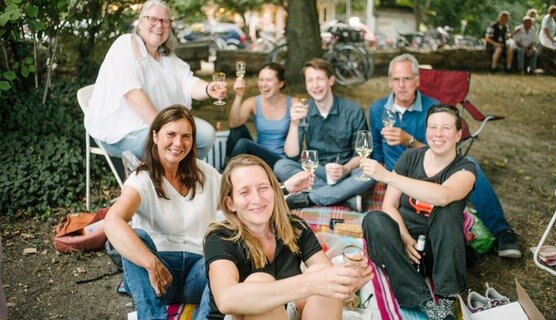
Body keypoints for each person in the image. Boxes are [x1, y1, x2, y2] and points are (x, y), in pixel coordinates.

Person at [369, 54, 521, 259]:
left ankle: (502, 231)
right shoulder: (377, 109)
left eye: (407, 78)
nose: (402, 85)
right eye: (396, 79)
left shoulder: (434, 109)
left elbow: (445, 150)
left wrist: (409, 140)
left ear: (417, 80)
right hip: (400, 178)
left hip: (433, 170)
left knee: (470, 166)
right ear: (389, 82)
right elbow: (378, 152)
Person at [204, 154, 373, 319]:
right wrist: (308, 283)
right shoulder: (220, 237)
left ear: (274, 190)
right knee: (260, 281)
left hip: (286, 313)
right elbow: (226, 299)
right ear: (230, 203)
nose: (257, 199)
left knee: (321, 274)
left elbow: (325, 278)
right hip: (239, 315)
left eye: (263, 188)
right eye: (244, 192)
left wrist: (346, 283)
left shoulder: (294, 226)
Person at [104, 105, 222, 319]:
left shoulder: (206, 173)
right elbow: (112, 220)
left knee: (222, 255)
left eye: (186, 136)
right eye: (171, 134)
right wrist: (151, 263)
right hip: (158, 276)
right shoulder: (142, 179)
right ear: (155, 136)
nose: (178, 143)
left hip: (197, 273)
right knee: (135, 236)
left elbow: (242, 199)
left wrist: (286, 188)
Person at [362, 103, 477, 320]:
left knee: (448, 208)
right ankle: (423, 301)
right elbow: (389, 205)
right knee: (373, 219)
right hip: (402, 248)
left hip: (440, 250)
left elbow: (443, 195)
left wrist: (387, 176)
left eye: (446, 128)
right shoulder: (411, 157)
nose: (438, 134)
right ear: (426, 131)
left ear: (459, 134)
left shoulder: (466, 168)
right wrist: (404, 239)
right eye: (432, 127)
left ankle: (446, 299)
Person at [84, 0, 227, 163]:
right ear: (141, 22)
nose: (159, 25)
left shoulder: (168, 58)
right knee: (172, 144)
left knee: (205, 135)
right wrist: (163, 128)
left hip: (161, 127)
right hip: (122, 132)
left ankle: (174, 180)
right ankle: (164, 183)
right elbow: (132, 94)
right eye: (153, 19)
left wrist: (209, 88)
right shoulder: (126, 44)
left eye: (165, 21)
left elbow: (188, 83)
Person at [274, 58, 376, 212]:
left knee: (370, 174)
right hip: (316, 172)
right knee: (280, 166)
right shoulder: (303, 110)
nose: (315, 85)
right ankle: (345, 197)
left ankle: (308, 198)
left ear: (331, 80)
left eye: (319, 79)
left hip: (346, 170)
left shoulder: (353, 111)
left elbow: (362, 154)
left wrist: (345, 169)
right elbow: (292, 154)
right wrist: (294, 124)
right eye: (310, 80)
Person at [226, 63, 294, 168]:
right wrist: (238, 96)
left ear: (280, 83)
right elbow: (233, 124)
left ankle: (227, 172)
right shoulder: (253, 102)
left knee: (244, 144)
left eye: (269, 80)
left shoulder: (294, 104)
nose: (263, 84)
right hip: (259, 156)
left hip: (280, 161)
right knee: (237, 130)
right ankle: (229, 170)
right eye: (261, 80)